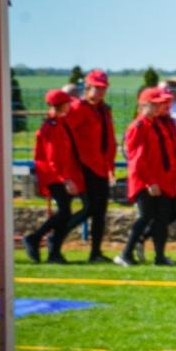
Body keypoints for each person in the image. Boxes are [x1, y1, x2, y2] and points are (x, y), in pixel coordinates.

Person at [116, 87, 176, 266]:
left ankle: (159, 256)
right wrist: (149, 181)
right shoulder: (139, 126)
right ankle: (125, 254)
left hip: (161, 179)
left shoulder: (157, 124)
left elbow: (169, 152)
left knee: (162, 218)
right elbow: (137, 159)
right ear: (144, 105)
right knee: (145, 216)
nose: (160, 107)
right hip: (146, 181)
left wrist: (173, 177)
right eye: (156, 104)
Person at [23, 89, 85, 263]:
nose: (70, 105)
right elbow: (53, 158)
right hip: (54, 176)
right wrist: (65, 179)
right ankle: (35, 239)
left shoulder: (60, 123)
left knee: (65, 214)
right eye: (67, 103)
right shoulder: (52, 127)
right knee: (64, 212)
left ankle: (53, 252)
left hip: (60, 175)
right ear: (60, 105)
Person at [65, 69, 116, 263]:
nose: (101, 91)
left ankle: (95, 252)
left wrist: (110, 166)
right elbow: (65, 135)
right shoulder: (78, 108)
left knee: (100, 212)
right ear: (87, 87)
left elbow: (109, 139)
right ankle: (57, 237)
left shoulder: (104, 110)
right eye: (97, 88)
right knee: (90, 208)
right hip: (83, 165)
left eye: (103, 88)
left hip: (101, 166)